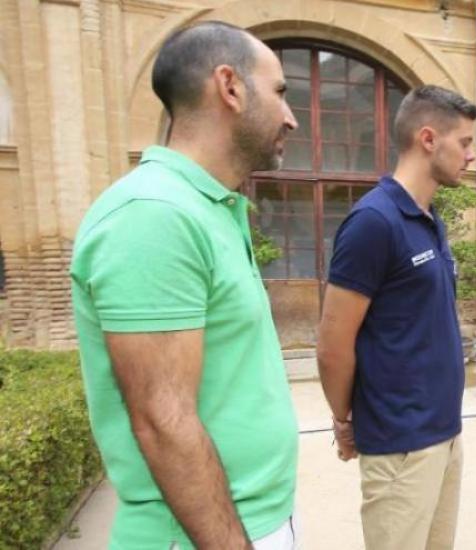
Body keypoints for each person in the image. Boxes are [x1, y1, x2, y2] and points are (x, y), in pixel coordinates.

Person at [70, 21, 300, 549]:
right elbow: (163, 421)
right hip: (201, 536)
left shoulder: (209, 206)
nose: (290, 118)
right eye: (281, 92)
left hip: (255, 520)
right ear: (230, 87)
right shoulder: (153, 215)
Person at [315, 85, 476, 550]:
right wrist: (344, 419)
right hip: (399, 444)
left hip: (445, 435)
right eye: (464, 143)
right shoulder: (374, 221)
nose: (472, 155)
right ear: (429, 139)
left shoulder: (429, 219)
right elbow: (333, 342)